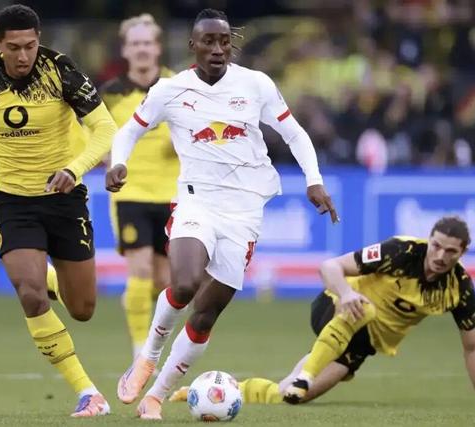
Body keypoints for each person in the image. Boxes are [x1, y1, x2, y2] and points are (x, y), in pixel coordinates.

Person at [106, 8, 339, 420]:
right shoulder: (170, 90)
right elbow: (130, 130)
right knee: (185, 283)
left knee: (206, 313)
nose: (218, 49)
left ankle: (156, 395)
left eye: (224, 42)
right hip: (196, 201)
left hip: (245, 212)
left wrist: (313, 180)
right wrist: (119, 162)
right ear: (192, 45)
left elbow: (294, 133)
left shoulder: (255, 84)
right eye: (209, 42)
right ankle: (148, 356)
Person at [0, 5, 117, 417]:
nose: (23, 55)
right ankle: (88, 392)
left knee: (82, 309)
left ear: (39, 40)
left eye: (30, 46)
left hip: (65, 197)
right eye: (14, 47)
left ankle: (49, 277)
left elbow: (105, 127)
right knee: (30, 295)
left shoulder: (61, 71)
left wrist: (75, 169)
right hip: (14, 201)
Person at [170, 216, 475, 408]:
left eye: (450, 251)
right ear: (428, 240)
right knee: (365, 308)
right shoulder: (401, 251)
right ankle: (306, 374)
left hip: (362, 345)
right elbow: (330, 266)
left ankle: (213, 393)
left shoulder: (459, 288)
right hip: (335, 306)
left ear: (462, 253)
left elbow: (472, 346)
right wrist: (346, 292)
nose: (441, 256)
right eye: (436, 246)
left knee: (288, 397)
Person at [99, 14, 178, 360]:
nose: (142, 49)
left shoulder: (179, 87)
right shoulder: (110, 95)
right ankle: (140, 356)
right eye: (136, 44)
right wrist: (106, 156)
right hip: (129, 193)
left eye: (147, 43)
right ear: (125, 50)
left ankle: (135, 303)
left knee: (165, 283)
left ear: (158, 48)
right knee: (140, 269)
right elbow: (93, 135)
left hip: (173, 195)